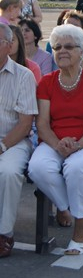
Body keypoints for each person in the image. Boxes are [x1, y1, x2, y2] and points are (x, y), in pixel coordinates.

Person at [28, 24, 83, 255]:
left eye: (68, 46)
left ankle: (81, 229)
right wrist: (58, 144)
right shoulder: (47, 82)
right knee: (37, 168)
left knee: (76, 167)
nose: (61, 51)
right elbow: (42, 124)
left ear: (82, 52)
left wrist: (76, 145)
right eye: (57, 47)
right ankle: (76, 210)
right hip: (54, 141)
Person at [0, 22, 38, 258]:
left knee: (8, 172)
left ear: (9, 45)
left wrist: (2, 145)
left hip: (13, 141)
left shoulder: (23, 76)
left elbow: (25, 124)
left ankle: (4, 233)